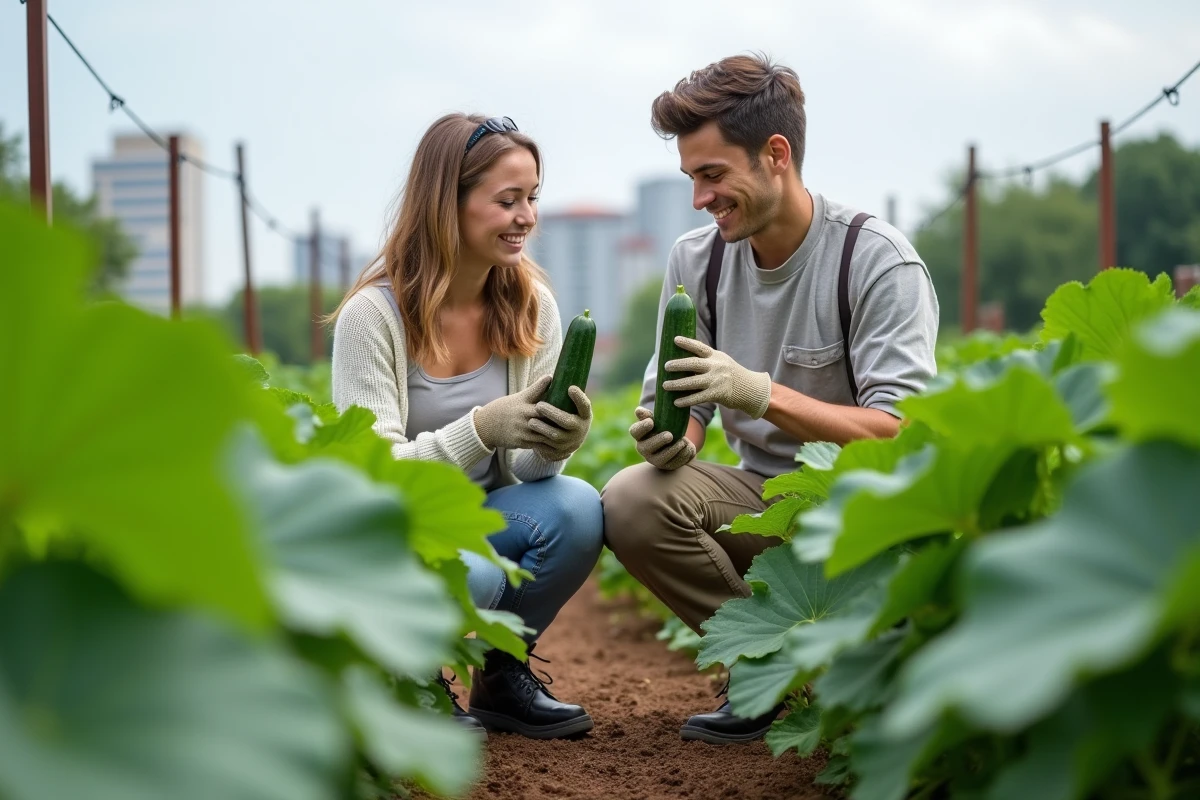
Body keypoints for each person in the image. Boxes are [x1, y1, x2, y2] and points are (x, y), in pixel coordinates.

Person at [601, 54, 940, 744]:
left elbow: (898, 434)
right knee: (633, 498)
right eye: (692, 177)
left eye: (712, 174)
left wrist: (757, 392)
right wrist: (676, 440)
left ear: (775, 154)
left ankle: (853, 668)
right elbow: (688, 406)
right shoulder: (697, 260)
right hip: (764, 499)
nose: (700, 197)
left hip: (866, 518)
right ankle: (765, 666)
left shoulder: (875, 260)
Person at [331, 113, 603, 741]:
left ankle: (501, 676)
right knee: (473, 572)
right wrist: (480, 427)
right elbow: (375, 477)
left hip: (487, 519)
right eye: (506, 200)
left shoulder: (532, 303)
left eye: (532, 198)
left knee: (579, 508)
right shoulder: (374, 317)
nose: (526, 217)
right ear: (445, 205)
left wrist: (554, 441)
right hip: (400, 536)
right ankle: (411, 679)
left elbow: (531, 476)